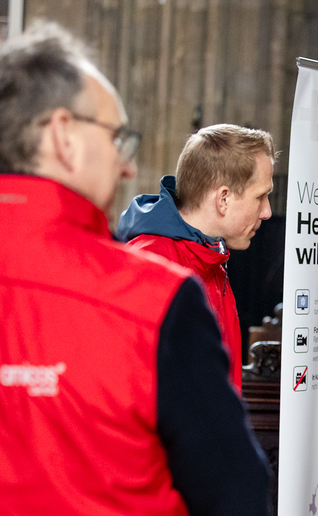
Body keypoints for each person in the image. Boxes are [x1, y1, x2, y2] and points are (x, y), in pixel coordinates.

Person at [0, 22, 269, 516]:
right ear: (63, 135)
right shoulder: (153, 299)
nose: (127, 163)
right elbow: (234, 506)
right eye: (116, 136)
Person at [117, 124, 276, 391]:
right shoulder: (147, 267)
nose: (267, 212)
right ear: (223, 199)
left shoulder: (212, 261)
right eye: (260, 197)